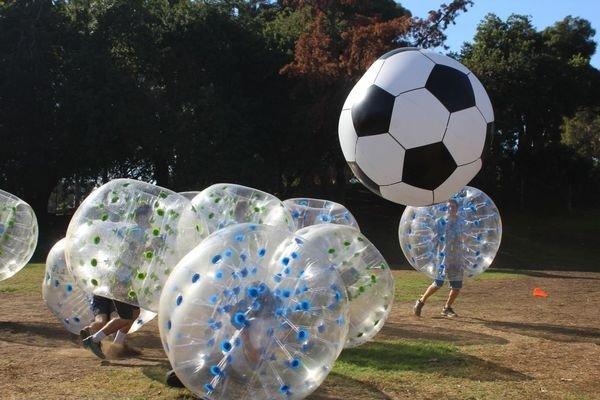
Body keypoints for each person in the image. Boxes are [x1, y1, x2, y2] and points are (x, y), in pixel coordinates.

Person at [413, 199, 464, 318]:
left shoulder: (461, 222)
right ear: (446, 208)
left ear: (457, 208)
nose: (451, 208)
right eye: (449, 206)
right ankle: (421, 301)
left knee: (456, 286)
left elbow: (464, 238)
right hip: (443, 257)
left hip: (457, 258)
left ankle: (447, 308)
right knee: (438, 283)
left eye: (453, 206)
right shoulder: (440, 221)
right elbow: (434, 238)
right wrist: (430, 253)